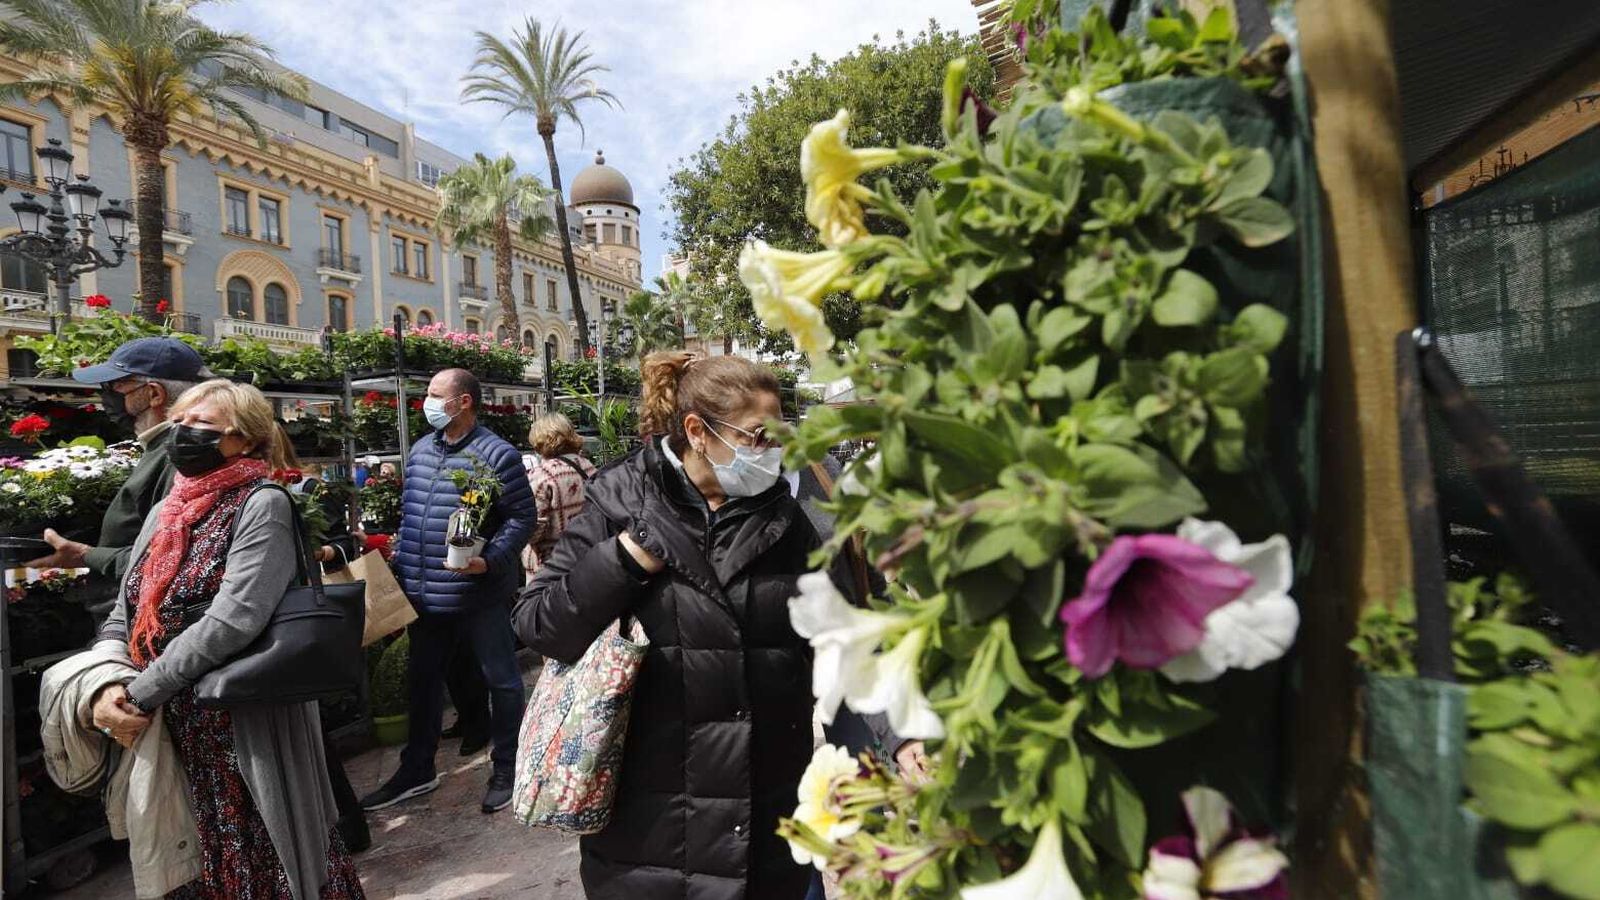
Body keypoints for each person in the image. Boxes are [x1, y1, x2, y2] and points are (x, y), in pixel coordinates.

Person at [514, 351, 889, 900]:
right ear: (698, 431)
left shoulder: (788, 519)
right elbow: (536, 621)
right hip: (647, 837)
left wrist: (896, 740)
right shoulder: (620, 500)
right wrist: (624, 559)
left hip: (763, 824)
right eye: (758, 436)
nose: (771, 453)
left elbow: (845, 643)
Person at [89, 379, 365, 899]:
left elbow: (235, 617)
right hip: (174, 720)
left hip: (240, 716)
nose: (183, 432)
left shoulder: (262, 504)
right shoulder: (167, 509)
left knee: (268, 854)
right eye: (182, 420)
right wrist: (108, 677)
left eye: (202, 425)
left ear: (245, 439)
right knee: (198, 858)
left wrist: (146, 688)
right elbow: (129, 606)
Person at [359, 368, 537, 815]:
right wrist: (399, 561)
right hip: (424, 593)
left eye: (437, 395)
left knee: (502, 679)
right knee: (423, 683)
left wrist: (490, 560)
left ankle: (508, 767)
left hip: (478, 592)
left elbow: (521, 518)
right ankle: (416, 769)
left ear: (464, 402)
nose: (427, 403)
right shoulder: (420, 452)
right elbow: (411, 514)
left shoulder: (497, 455)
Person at [26, 337, 202, 590]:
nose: (105, 396)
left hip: (138, 617)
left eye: (114, 386)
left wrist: (85, 554)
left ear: (154, 394)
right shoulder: (161, 447)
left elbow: (172, 560)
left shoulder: (179, 456)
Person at [522, 412, 597, 576]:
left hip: (551, 565)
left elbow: (533, 530)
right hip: (587, 557)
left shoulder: (541, 475)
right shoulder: (589, 467)